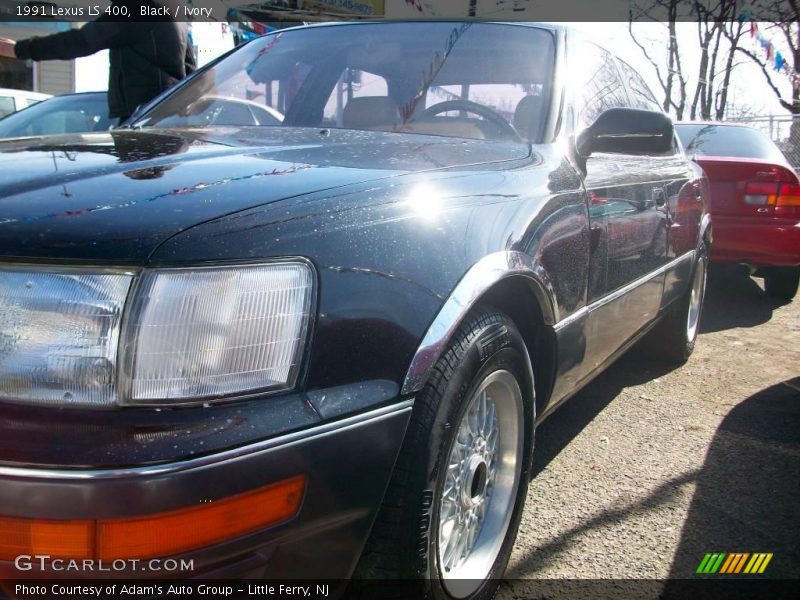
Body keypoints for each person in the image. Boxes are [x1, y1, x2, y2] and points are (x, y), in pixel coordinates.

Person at [9, 0, 195, 121]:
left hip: (141, 116)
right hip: (169, 117)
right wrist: (187, 102)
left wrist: (20, 49)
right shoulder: (173, 12)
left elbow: (82, 42)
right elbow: (191, 71)